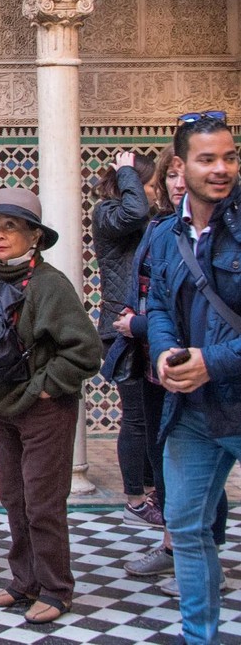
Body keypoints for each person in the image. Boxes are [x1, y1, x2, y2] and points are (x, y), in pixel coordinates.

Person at [0, 188, 101, 624]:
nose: (0, 236)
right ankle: (24, 582)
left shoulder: (49, 285)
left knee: (43, 502)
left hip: (44, 410)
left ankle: (57, 590)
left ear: (35, 237)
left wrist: (46, 387)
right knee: (14, 498)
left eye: (11, 227)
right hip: (4, 407)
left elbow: (86, 351)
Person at [119, 147, 231, 594]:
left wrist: (139, 325)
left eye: (186, 174)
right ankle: (178, 552)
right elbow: (157, 297)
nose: (179, 184)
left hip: (213, 372)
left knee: (204, 475)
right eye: (171, 176)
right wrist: (154, 339)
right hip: (160, 366)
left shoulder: (225, 234)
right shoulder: (162, 231)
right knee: (170, 470)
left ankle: (203, 562)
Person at [147, 111, 241, 645]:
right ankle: (199, 637)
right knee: (184, 525)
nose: (222, 168)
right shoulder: (166, 235)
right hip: (193, 411)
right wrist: (165, 353)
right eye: (208, 159)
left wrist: (215, 361)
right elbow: (158, 303)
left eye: (229, 157)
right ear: (180, 166)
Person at [92, 150, 161, 525]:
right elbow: (133, 211)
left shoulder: (148, 220)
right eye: (149, 185)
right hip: (119, 329)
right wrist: (128, 172)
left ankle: (152, 493)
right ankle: (135, 499)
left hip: (145, 328)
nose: (153, 193)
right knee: (135, 417)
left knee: (152, 416)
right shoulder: (109, 214)